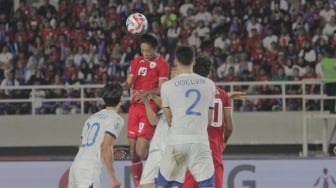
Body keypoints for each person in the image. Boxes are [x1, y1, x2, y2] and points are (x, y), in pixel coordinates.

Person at [157, 46, 216, 188]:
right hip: (200, 141)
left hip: (178, 143)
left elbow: (169, 120)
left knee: (164, 184)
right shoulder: (209, 85)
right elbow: (209, 120)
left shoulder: (167, 86)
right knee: (207, 184)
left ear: (176, 62)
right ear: (194, 61)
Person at [121, 33, 170, 187]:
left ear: (155, 48)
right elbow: (129, 83)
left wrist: (146, 93)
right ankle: (139, 184)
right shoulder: (136, 62)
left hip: (149, 108)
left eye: (148, 50)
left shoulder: (163, 64)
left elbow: (162, 88)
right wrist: (119, 87)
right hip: (134, 108)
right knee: (133, 151)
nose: (146, 54)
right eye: (143, 50)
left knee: (142, 151)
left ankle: (164, 167)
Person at [183, 56, 234, 188]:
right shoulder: (222, 95)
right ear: (210, 72)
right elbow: (230, 127)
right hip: (214, 148)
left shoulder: (188, 92)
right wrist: (224, 141)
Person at [68, 82, 124, 188]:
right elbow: (106, 147)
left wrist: (109, 154)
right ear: (121, 99)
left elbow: (83, 145)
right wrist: (113, 177)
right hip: (88, 170)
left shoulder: (92, 117)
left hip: (76, 166)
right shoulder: (116, 119)